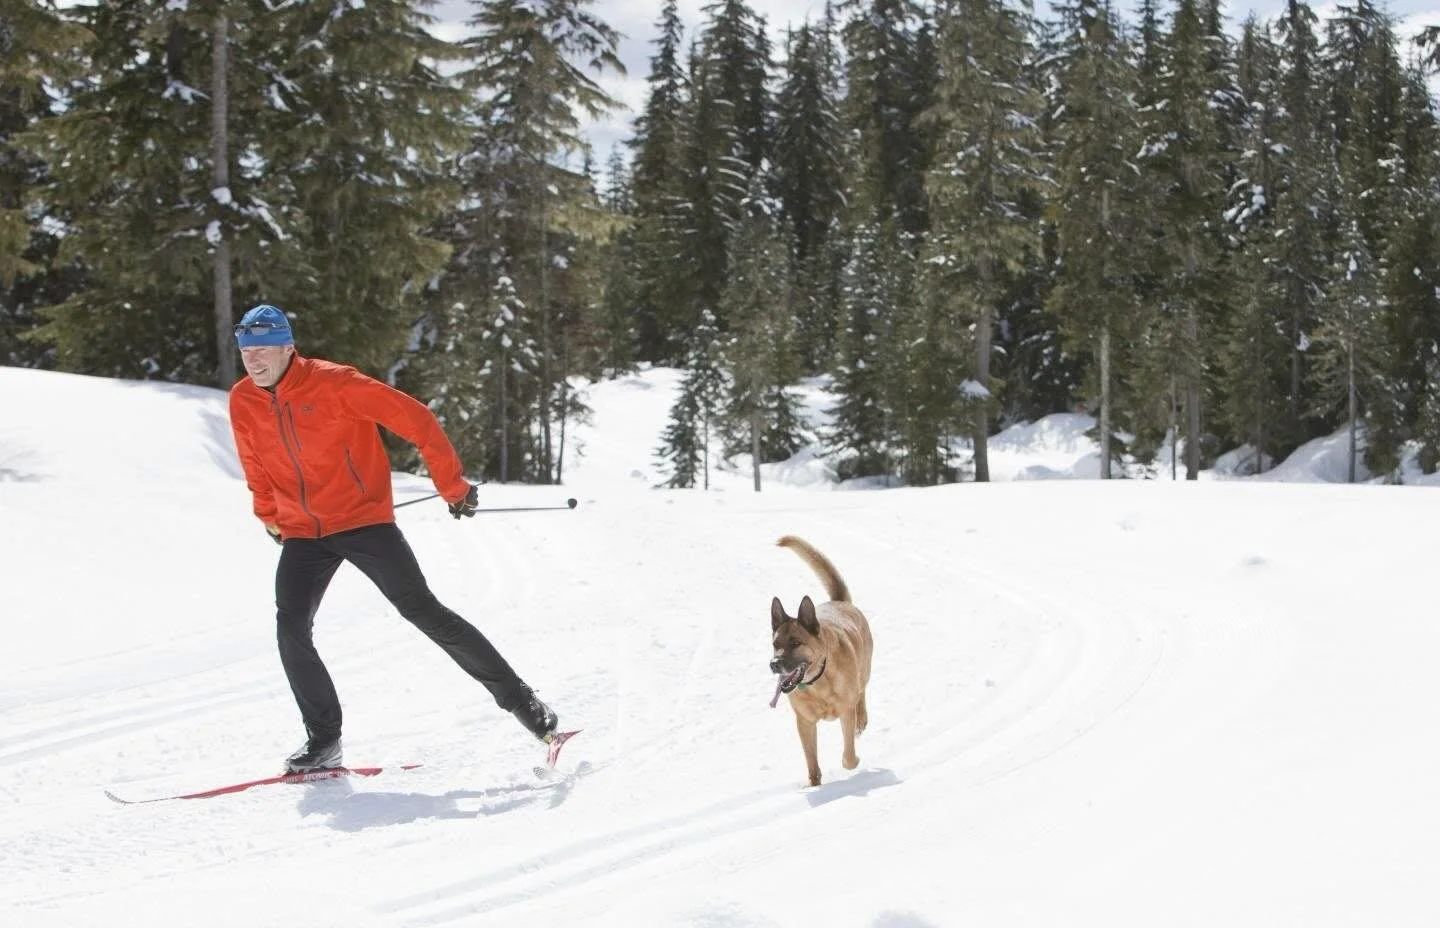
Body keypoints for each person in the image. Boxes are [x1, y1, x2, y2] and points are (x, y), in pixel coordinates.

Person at [227, 303, 559, 773]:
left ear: (287, 347)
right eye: (246, 352)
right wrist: (270, 516)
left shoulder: (336, 384)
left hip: (364, 522)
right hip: (304, 531)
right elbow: (254, 465)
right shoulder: (244, 399)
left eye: (263, 350)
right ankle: (324, 740)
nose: (254, 360)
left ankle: (525, 704)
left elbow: (417, 419)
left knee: (423, 611)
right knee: (291, 627)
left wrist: (452, 486)